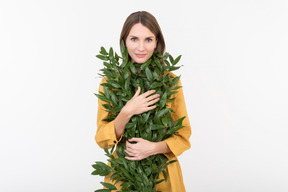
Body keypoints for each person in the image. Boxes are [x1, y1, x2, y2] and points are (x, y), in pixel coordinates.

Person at [95, 11, 191, 192]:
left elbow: (183, 136)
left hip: (163, 174)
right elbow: (102, 139)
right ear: (124, 41)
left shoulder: (170, 81)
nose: (141, 47)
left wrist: (154, 148)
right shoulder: (110, 82)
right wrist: (126, 112)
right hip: (124, 173)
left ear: (157, 43)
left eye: (148, 39)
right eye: (134, 39)